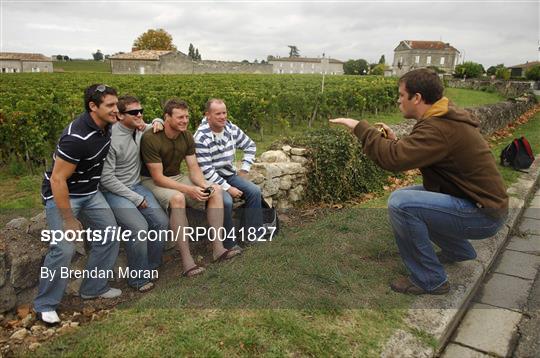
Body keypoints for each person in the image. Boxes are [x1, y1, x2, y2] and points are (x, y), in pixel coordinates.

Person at [330, 69, 508, 295]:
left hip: (482, 215)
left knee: (401, 203)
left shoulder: (439, 126)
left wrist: (359, 127)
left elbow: (393, 159)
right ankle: (459, 251)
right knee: (413, 199)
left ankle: (430, 280)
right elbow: (416, 151)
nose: (398, 100)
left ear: (417, 98)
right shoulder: (442, 118)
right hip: (481, 206)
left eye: (402, 95)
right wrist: (396, 141)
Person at [35, 84, 122, 324]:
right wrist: (69, 220)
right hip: (64, 194)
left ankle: (93, 288)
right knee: (63, 248)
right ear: (93, 107)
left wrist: (157, 120)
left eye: (117, 104)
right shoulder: (77, 137)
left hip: (91, 192)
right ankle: (45, 304)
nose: (117, 109)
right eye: (111, 105)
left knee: (110, 234)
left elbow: (136, 119)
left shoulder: (107, 124)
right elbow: (58, 179)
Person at [140, 99, 241, 278]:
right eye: (180, 117)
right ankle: (187, 262)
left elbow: (194, 169)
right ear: (166, 118)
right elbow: (158, 178)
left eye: (186, 117)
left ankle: (218, 248)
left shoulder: (186, 135)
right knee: (178, 198)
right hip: (152, 181)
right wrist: (189, 190)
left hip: (176, 177)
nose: (185, 121)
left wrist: (203, 185)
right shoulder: (151, 138)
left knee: (215, 190)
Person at [100, 95, 169, 292]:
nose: (139, 115)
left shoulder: (138, 128)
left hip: (136, 185)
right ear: (120, 116)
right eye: (133, 112)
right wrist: (135, 198)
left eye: (141, 111)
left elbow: (154, 124)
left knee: (161, 222)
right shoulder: (110, 139)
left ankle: (151, 266)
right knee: (138, 228)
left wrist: (157, 121)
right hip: (114, 191)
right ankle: (138, 278)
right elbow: (106, 179)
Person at [194, 99, 264, 248]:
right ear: (208, 115)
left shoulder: (231, 128)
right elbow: (207, 171)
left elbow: (250, 146)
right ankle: (229, 244)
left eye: (224, 112)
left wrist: (244, 169)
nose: (222, 117)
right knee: (226, 201)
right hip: (209, 180)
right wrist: (228, 188)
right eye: (217, 113)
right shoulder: (201, 137)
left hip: (229, 175)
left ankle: (252, 236)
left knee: (254, 191)